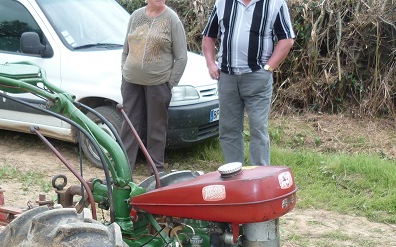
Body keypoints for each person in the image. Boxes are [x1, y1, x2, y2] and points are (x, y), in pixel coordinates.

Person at [202, 0, 295, 166]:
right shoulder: (223, 3)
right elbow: (209, 35)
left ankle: (259, 178)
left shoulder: (275, 3)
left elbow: (286, 39)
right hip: (227, 78)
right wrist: (210, 63)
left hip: (257, 77)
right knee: (228, 129)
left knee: (258, 129)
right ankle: (234, 175)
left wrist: (268, 67)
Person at [120, 0, 187, 174]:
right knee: (129, 127)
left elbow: (181, 57)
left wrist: (169, 85)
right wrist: (124, 70)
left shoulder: (172, 20)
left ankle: (156, 173)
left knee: (156, 130)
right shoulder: (136, 16)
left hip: (158, 84)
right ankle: (123, 170)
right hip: (131, 82)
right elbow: (125, 49)